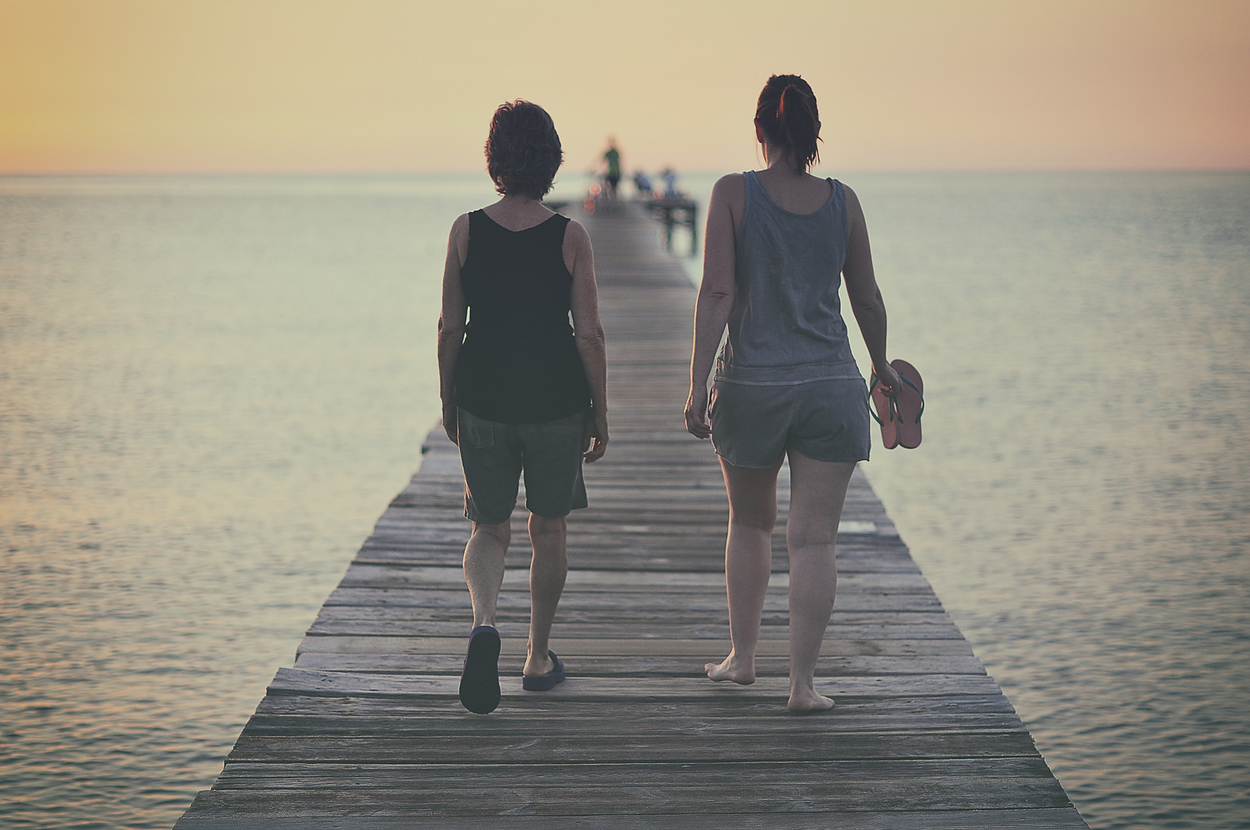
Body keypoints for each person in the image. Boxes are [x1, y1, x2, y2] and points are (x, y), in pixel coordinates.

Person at [683, 74, 903, 713]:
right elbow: (865, 296)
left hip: (752, 384)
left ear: (760, 130)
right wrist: (880, 364)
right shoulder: (845, 201)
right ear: (813, 136)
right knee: (814, 540)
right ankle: (802, 686)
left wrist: (698, 384)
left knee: (750, 522)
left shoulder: (732, 194)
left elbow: (718, 293)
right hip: (832, 384)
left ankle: (743, 659)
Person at [438, 100, 609, 715]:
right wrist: (601, 408)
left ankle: (485, 622)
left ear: (495, 159)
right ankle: (537, 656)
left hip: (483, 396)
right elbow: (589, 335)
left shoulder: (465, 230)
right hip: (555, 403)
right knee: (549, 527)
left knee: (489, 527)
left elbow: (446, 329)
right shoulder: (570, 237)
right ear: (552, 160)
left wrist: (447, 398)